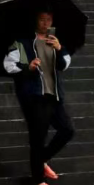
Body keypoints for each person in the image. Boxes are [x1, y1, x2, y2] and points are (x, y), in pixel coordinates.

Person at [4, 10, 75, 185]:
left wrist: (59, 49)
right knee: (38, 138)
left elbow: (64, 65)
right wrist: (28, 66)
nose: (45, 23)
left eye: (49, 20)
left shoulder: (55, 41)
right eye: (42, 19)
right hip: (34, 96)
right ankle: (38, 180)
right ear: (35, 21)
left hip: (54, 94)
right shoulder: (22, 42)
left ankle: (40, 160)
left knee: (67, 130)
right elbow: (9, 65)